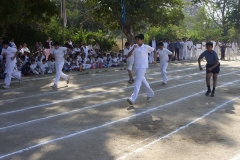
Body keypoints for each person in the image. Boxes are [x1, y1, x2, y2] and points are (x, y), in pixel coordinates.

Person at [126, 34, 156, 105]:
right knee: (143, 81)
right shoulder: (134, 46)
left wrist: (154, 60)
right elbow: (128, 55)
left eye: (138, 40)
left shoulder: (146, 47)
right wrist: (133, 49)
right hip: (136, 67)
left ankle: (132, 99)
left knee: (137, 82)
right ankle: (150, 93)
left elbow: (154, 51)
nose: (137, 41)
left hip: (143, 67)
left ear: (142, 40)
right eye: (136, 40)